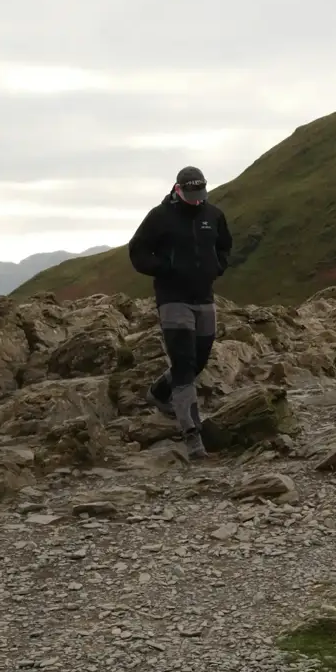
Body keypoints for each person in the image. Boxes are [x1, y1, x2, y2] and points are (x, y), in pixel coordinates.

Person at [128, 166, 233, 459]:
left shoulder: (213, 215)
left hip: (204, 296)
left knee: (200, 358)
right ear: (178, 189)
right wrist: (165, 269)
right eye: (191, 195)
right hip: (173, 298)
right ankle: (192, 434)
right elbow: (138, 251)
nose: (197, 200)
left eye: (201, 194)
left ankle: (160, 392)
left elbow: (225, 246)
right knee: (184, 361)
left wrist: (218, 267)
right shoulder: (160, 217)